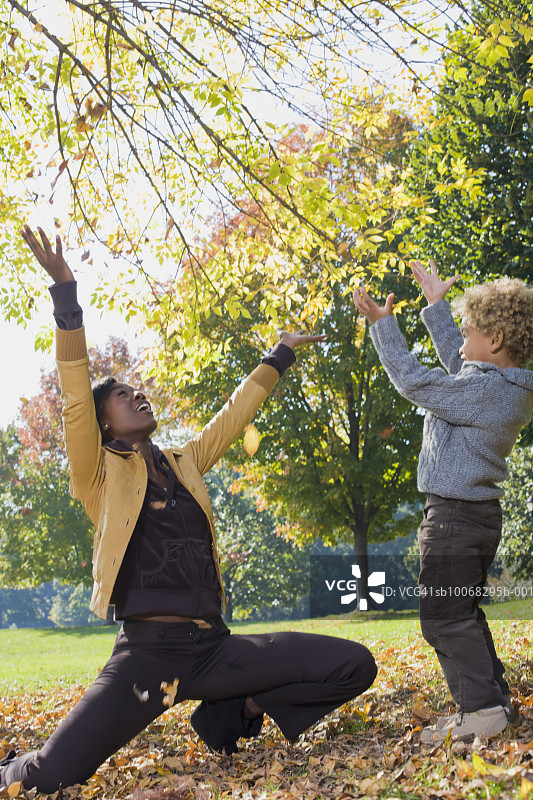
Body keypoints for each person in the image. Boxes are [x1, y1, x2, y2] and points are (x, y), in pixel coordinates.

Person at [0, 226, 377, 793]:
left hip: (216, 646)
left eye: (137, 390)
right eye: (122, 396)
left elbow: (231, 416)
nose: (137, 395)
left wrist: (279, 355)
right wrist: (67, 297)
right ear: (104, 422)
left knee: (354, 664)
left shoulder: (185, 462)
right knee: (49, 778)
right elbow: (75, 393)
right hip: (150, 660)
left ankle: (230, 712)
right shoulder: (96, 475)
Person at [353, 260, 533, 743]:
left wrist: (383, 327)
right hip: (475, 516)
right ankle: (491, 703)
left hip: (454, 517)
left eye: (469, 330)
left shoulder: (482, 390)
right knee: (460, 613)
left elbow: (417, 382)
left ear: (495, 340)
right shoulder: (504, 386)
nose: (462, 341)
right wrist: (437, 307)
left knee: (443, 618)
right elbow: (461, 363)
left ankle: (483, 710)